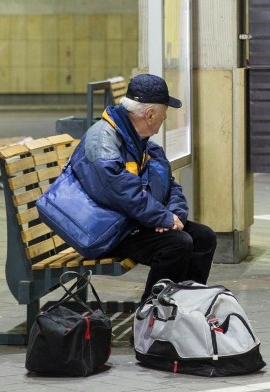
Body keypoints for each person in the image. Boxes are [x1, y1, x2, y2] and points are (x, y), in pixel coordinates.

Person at [67, 73, 217, 303]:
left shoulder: (140, 140)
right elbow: (123, 193)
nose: (164, 118)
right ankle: (152, 316)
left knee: (203, 237)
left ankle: (187, 306)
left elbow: (169, 183)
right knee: (178, 244)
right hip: (104, 230)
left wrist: (175, 214)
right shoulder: (103, 141)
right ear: (149, 115)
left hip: (131, 221)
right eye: (164, 114)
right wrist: (162, 218)